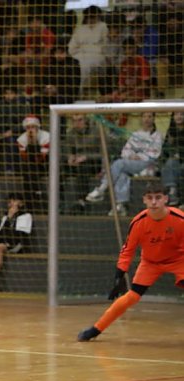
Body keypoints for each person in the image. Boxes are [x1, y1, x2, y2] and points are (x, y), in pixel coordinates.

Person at [77, 184, 184, 342]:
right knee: (132, 297)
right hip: (150, 263)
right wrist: (120, 274)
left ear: (166, 199)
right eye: (150, 198)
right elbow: (128, 249)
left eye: (158, 198)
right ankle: (95, 329)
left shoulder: (179, 219)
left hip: (178, 259)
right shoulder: (139, 222)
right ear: (144, 200)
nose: (154, 202)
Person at [85, 112, 163, 217]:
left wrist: (139, 156)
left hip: (147, 164)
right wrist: (131, 156)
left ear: (154, 119)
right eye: (144, 116)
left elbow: (154, 153)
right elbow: (125, 151)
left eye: (149, 116)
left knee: (119, 164)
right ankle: (120, 205)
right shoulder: (136, 134)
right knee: (121, 173)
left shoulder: (157, 135)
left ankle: (102, 189)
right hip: (131, 163)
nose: (147, 119)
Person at [160, 111, 183, 207]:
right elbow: (164, 150)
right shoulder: (170, 131)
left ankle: (172, 192)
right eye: (177, 114)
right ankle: (172, 190)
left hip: (181, 160)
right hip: (173, 161)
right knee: (169, 164)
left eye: (182, 114)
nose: (179, 116)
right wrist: (169, 144)